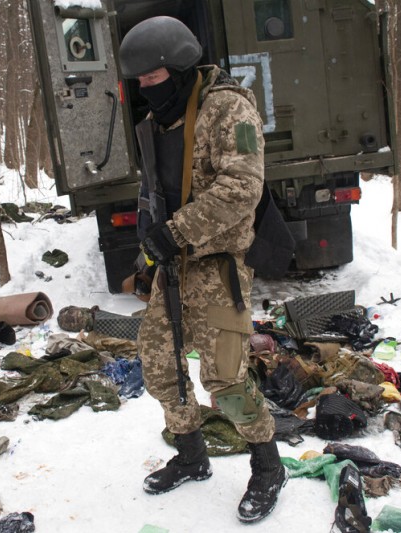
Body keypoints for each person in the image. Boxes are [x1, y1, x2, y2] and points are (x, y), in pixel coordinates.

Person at [118, 16, 286, 524]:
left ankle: (267, 466)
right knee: (161, 366)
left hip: (217, 265)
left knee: (227, 380)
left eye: (153, 78)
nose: (147, 89)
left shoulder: (228, 108)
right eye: (140, 81)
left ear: (179, 66)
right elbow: (157, 192)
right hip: (173, 268)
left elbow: (241, 189)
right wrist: (151, 248)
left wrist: (175, 232)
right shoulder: (159, 122)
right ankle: (192, 455)